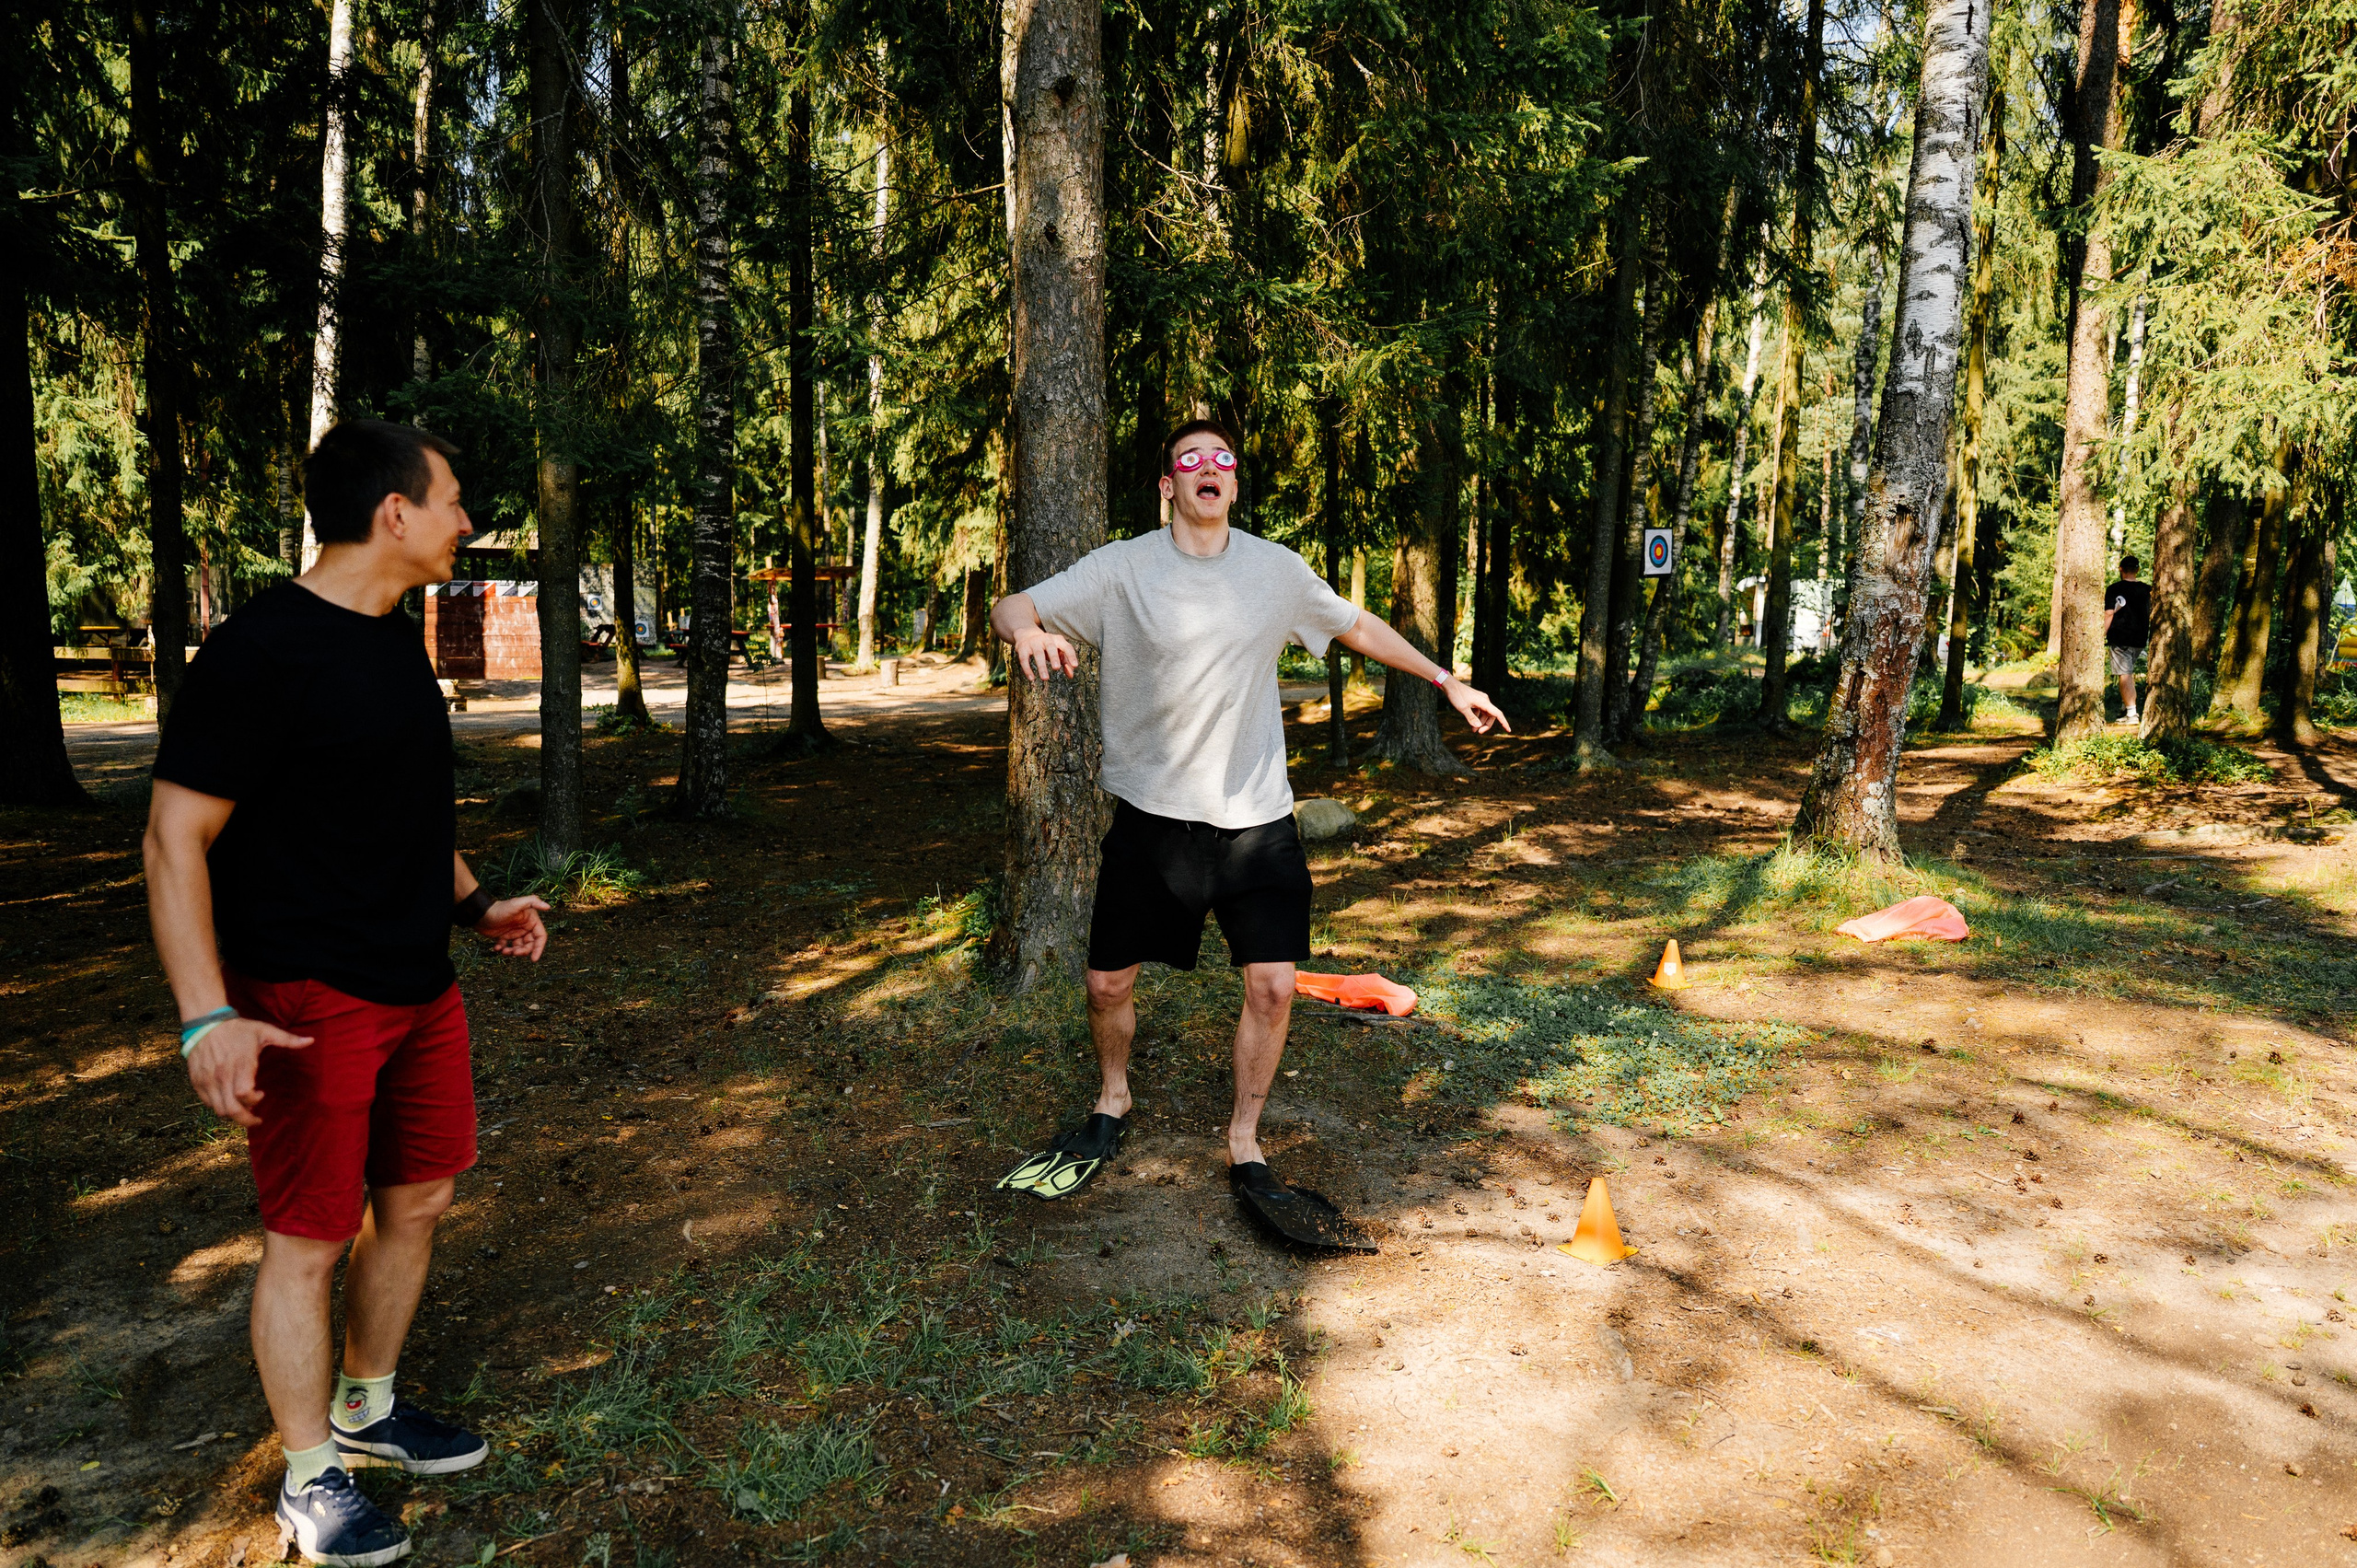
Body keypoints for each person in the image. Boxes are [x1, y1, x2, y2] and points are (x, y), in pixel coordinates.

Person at [145, 420, 550, 1567]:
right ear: (394, 511)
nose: (466, 521)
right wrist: (206, 1015)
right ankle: (309, 1474)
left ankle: (367, 1407)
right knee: (309, 1239)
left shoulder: (390, 636)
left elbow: (403, 808)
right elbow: (174, 836)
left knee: (418, 1199)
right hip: (307, 996)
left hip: (420, 984)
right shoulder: (262, 650)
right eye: (454, 499)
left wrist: (477, 905)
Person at [987, 419, 1509, 1230]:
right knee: (1106, 984)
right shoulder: (1121, 568)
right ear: (1170, 485)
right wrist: (1025, 629)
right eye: (1190, 458)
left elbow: (1355, 625)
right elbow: (1012, 603)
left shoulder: (1276, 570)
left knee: (1272, 986)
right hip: (1152, 820)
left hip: (1256, 820)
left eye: (1222, 459)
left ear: (1232, 483)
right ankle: (1113, 1096)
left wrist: (1446, 680)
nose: (1209, 467)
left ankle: (1244, 1139)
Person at [2103, 554, 2151, 726]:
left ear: (2121, 569)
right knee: (2127, 674)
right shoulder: (2147, 590)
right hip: (2139, 639)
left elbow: (2109, 613)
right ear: (2137, 570)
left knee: (2125, 675)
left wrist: (2102, 634)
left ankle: (2131, 714)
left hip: (2120, 638)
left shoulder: (2113, 589)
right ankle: (2125, 708)